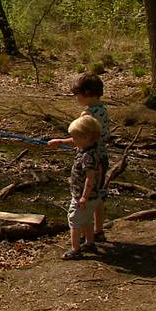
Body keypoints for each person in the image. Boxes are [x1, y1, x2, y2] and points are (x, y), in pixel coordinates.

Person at [47, 72, 110, 242]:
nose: (76, 98)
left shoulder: (87, 116)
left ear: (87, 93)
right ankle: (98, 230)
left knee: (84, 195)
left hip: (88, 160)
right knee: (97, 197)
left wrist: (60, 141)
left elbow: (79, 139)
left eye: (77, 95)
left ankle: (83, 231)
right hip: (102, 158)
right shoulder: (103, 109)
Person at [49, 114, 105, 260]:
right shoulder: (90, 146)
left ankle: (75, 249)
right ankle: (90, 243)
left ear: (86, 138)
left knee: (74, 220)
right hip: (90, 196)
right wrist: (60, 141)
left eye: (75, 138)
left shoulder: (88, 156)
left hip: (84, 196)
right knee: (86, 220)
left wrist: (84, 197)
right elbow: (76, 140)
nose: (73, 141)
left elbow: (90, 178)